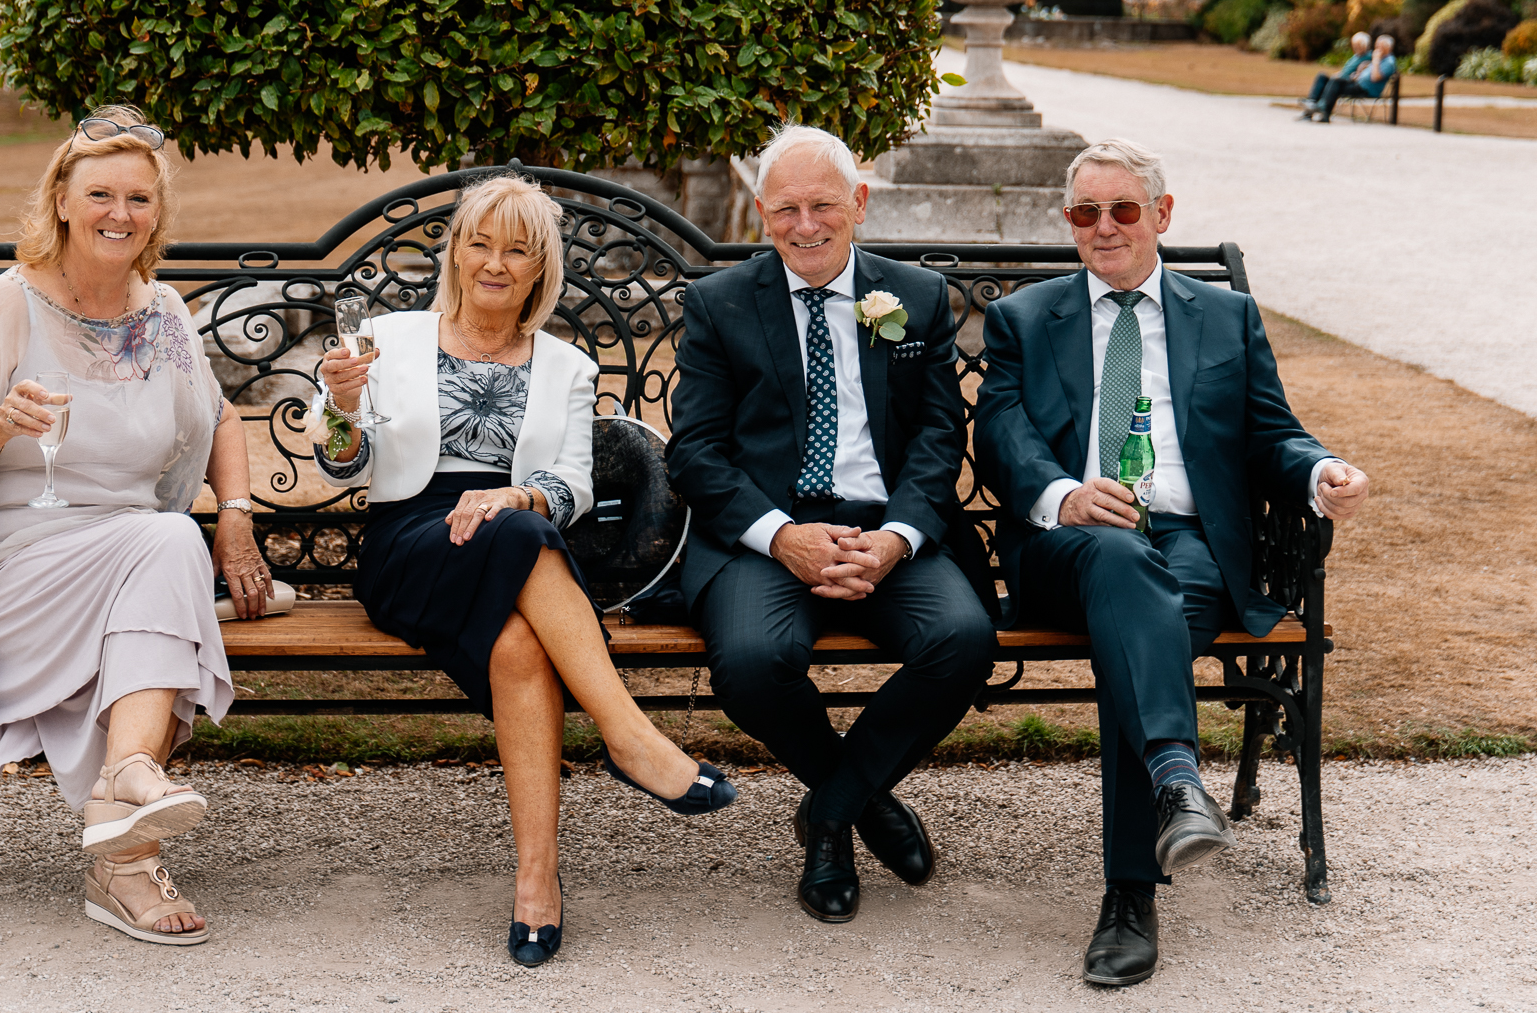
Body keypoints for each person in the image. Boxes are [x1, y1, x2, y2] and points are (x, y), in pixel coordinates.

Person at [0, 105, 272, 947]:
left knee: (168, 544)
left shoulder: (167, 315)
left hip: (138, 562)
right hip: (18, 574)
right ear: (62, 200)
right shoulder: (12, 303)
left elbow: (220, 420)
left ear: (157, 214)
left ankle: (124, 842)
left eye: (139, 199)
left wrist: (237, 518)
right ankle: (131, 801)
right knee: (169, 545)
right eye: (100, 193)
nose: (119, 214)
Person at [973, 138, 1370, 987]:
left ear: (1162, 214)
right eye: (1085, 213)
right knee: (1120, 569)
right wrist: (1063, 494)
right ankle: (1169, 799)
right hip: (1063, 546)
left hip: (1187, 546)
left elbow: (1272, 432)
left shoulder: (1223, 318)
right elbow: (1001, 438)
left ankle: (1135, 886)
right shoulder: (1023, 318)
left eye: (1122, 209)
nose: (1104, 228)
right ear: (1069, 222)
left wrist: (1318, 470)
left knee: (1137, 632)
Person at [312, 172, 736, 968]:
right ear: (457, 254)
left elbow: (572, 489)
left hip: (514, 536)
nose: (494, 262)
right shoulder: (388, 338)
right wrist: (338, 407)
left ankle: (537, 884)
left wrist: (516, 492)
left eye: (516, 249)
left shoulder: (568, 368)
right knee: (517, 537)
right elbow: (342, 467)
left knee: (518, 641)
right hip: (409, 541)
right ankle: (631, 737)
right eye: (479, 243)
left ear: (540, 268)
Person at [666, 125, 997, 925]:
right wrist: (783, 536)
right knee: (749, 660)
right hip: (768, 536)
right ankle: (868, 803)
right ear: (760, 212)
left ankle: (829, 812)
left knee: (962, 639)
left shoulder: (912, 297)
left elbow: (935, 438)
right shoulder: (719, 304)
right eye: (786, 209)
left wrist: (896, 540)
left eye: (823, 205)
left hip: (888, 531)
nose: (805, 226)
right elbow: (697, 454)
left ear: (859, 202)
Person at [1303, 33, 1396, 123]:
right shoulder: (1380, 59)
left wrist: (1376, 59)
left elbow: (1375, 77)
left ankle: (1323, 109)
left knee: (1336, 82)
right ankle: (1313, 108)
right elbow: (1366, 72)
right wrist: (1357, 75)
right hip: (1358, 83)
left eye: (1379, 46)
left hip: (1366, 90)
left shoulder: (1389, 62)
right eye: (1376, 45)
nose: (1376, 48)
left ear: (1387, 47)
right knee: (1325, 78)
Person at [1296, 31, 1368, 121]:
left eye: (1358, 46)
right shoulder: (1355, 56)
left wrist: (1354, 74)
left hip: (1348, 82)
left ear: (1365, 45)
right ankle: (1311, 104)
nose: (1355, 48)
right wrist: (1339, 74)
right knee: (1322, 76)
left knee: (1335, 81)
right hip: (1341, 78)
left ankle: (1322, 109)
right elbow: (1346, 70)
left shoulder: (1368, 57)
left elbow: (1364, 72)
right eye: (1354, 46)